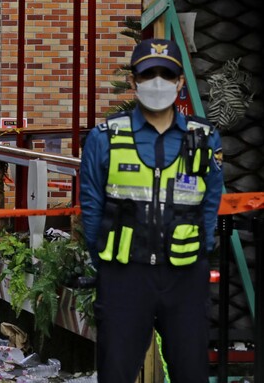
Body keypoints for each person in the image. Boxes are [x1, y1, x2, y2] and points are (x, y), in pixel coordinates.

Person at [80, 38, 223, 383]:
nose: (157, 82)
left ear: (179, 82)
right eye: (148, 75)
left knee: (191, 373)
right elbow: (92, 205)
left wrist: (199, 252)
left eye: (166, 74)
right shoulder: (105, 137)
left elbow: (211, 201)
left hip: (185, 277)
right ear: (133, 81)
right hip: (124, 276)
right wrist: (105, 262)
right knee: (116, 373)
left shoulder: (203, 138)